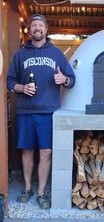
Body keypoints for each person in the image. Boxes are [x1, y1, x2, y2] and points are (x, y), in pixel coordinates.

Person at [7, 14, 75, 209]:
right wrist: (21, 88)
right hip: (25, 111)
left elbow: (72, 79)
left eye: (40, 25)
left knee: (46, 151)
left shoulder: (57, 54)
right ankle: (27, 188)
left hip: (48, 112)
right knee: (27, 150)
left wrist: (65, 80)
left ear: (46, 30)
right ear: (30, 30)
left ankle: (41, 192)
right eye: (34, 25)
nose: (37, 28)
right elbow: (9, 81)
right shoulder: (20, 55)